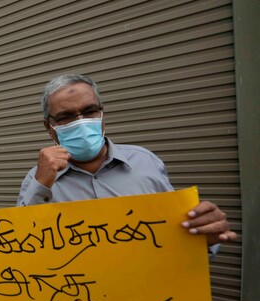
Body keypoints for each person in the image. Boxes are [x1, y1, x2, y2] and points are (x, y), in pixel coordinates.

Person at [17, 73, 236, 251]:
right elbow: (22, 245)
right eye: (66, 116)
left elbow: (176, 233)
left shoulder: (145, 162)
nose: (81, 122)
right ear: (49, 127)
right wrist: (41, 185)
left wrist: (204, 236)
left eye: (89, 111)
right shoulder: (37, 179)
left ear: (102, 115)